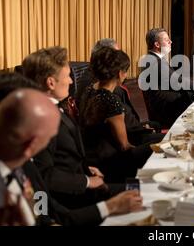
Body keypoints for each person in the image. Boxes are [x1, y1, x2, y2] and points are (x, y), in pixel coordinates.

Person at [0, 89, 143, 226]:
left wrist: (110, 207)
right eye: (45, 142)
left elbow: (46, 212)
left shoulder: (24, 164)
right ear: (30, 145)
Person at [22, 47, 126, 210]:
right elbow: (44, 174)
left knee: (144, 189)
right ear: (51, 82)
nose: (71, 81)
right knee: (144, 193)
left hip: (81, 182)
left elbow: (63, 157)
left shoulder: (53, 108)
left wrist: (85, 170)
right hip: (71, 200)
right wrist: (86, 181)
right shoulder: (41, 119)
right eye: (67, 76)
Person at [79, 48, 155, 183]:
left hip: (89, 156)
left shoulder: (89, 90)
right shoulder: (111, 100)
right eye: (125, 72)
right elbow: (124, 146)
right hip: (110, 160)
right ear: (120, 74)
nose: (126, 75)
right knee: (161, 146)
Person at [140, 28, 194, 128]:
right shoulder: (155, 62)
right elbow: (177, 82)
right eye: (166, 40)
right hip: (167, 112)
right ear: (157, 45)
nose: (171, 42)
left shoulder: (154, 59)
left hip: (168, 106)